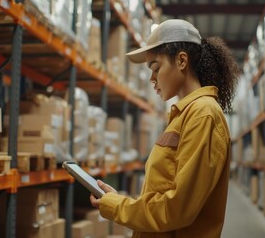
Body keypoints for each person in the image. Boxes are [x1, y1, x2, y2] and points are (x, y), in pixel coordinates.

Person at [90, 19, 239, 238]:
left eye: (156, 68)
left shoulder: (203, 115)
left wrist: (118, 207)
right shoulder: (184, 115)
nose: (151, 78)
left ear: (181, 61)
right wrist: (124, 202)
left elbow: (177, 209)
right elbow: (164, 192)